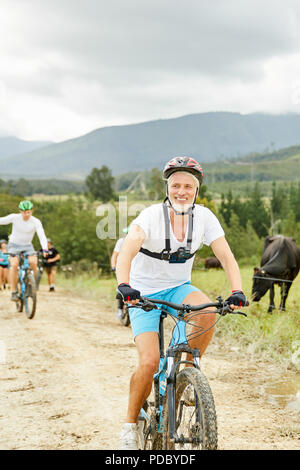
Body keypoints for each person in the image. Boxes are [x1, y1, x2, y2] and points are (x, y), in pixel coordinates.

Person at [116, 156, 247, 450]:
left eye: (188, 186)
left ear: (196, 190)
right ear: (168, 188)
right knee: (149, 362)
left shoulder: (205, 218)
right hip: (143, 292)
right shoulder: (150, 216)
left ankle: (186, 375)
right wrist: (124, 285)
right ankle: (129, 425)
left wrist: (237, 290)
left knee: (208, 310)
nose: (182, 191)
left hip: (178, 288)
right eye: (176, 185)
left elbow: (226, 257)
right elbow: (126, 252)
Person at [0, 200, 48, 301]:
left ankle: (31, 285)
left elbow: (41, 235)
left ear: (32, 211)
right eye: (24, 212)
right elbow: (1, 220)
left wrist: (45, 249)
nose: (26, 214)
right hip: (14, 244)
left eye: (28, 212)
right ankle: (14, 292)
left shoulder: (35, 221)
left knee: (34, 262)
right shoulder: (15, 218)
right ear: (20, 211)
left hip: (27, 245)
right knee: (14, 265)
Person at [111, 227, 128, 320]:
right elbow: (114, 255)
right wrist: (113, 266)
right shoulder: (121, 241)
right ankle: (120, 309)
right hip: (121, 267)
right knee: (121, 288)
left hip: (133, 269)